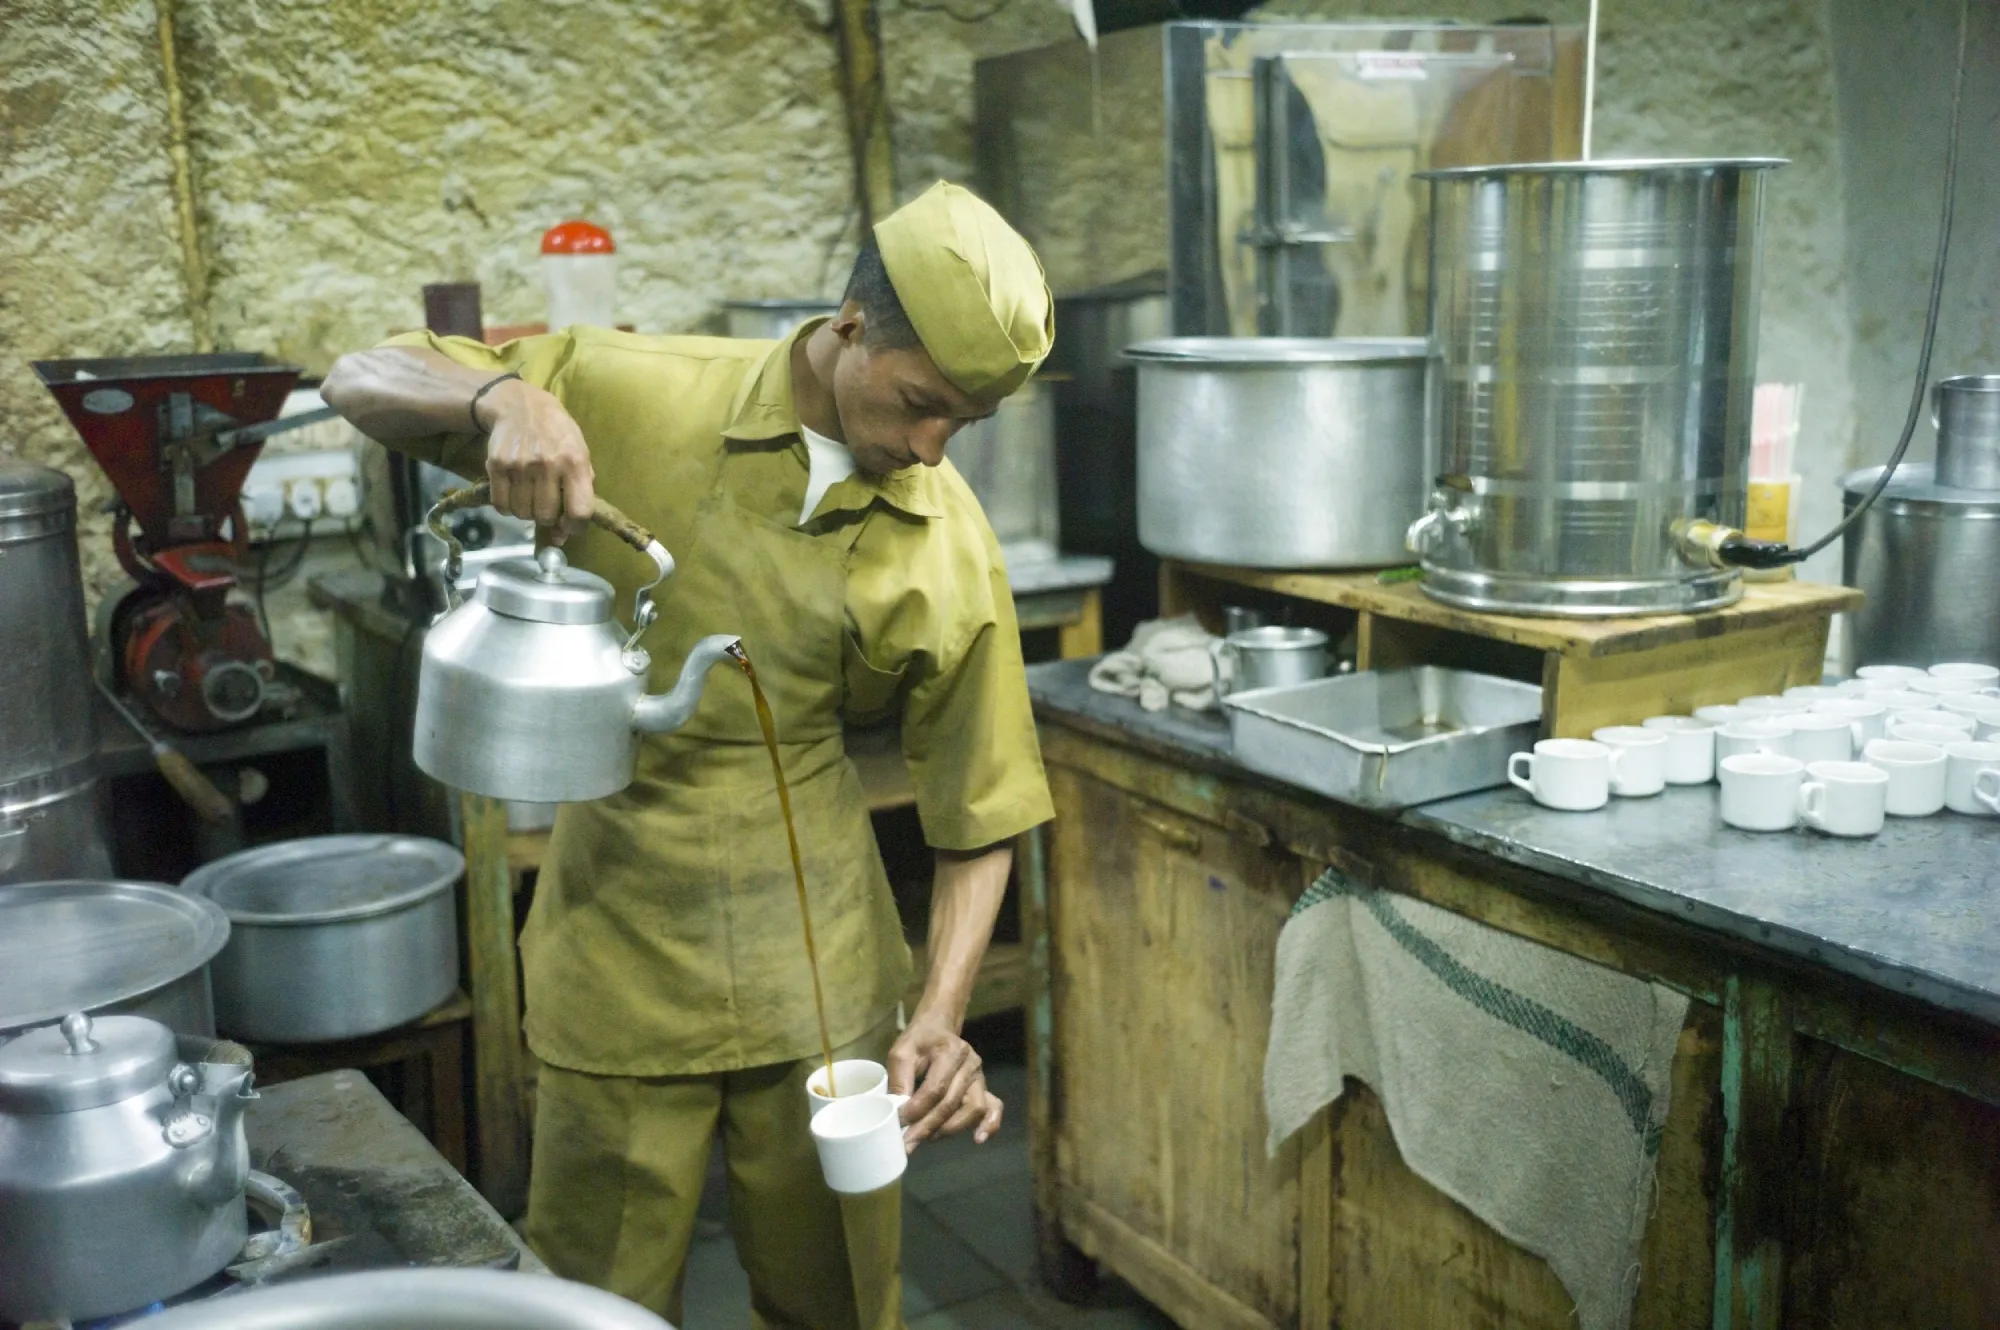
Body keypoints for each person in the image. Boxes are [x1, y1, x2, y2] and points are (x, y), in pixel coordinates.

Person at [321, 181, 1055, 1329]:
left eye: (964, 422)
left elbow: (984, 803)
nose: (929, 447)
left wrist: (940, 1013)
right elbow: (356, 377)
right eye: (920, 403)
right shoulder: (634, 387)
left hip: (818, 965)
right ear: (850, 326)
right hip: (619, 936)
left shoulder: (943, 532)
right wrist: (503, 397)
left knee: (835, 1297)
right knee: (591, 1300)